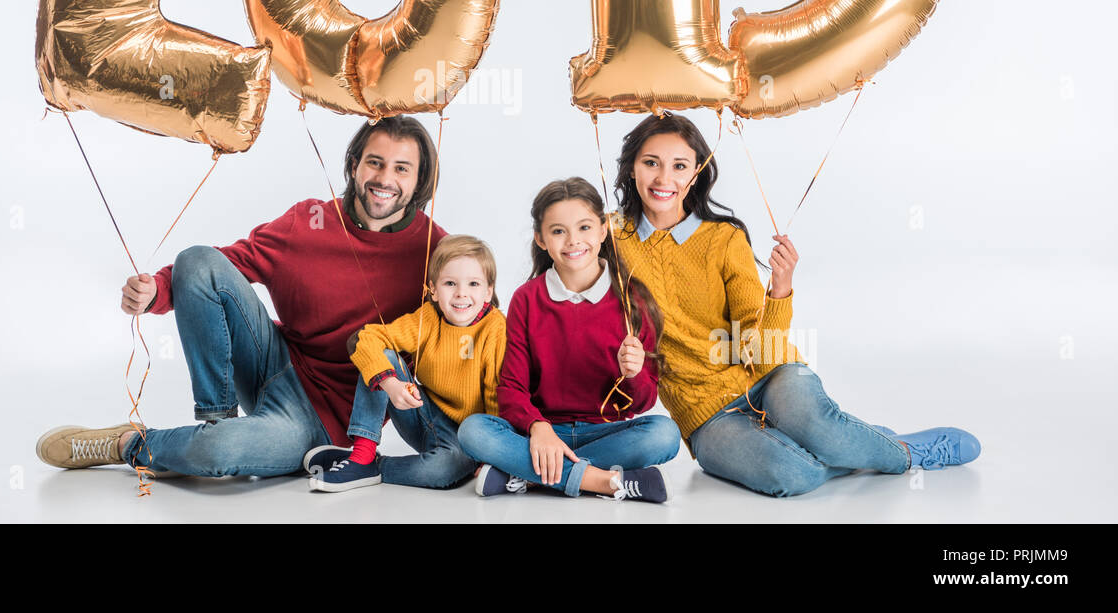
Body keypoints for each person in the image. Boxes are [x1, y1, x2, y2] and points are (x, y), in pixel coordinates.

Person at [34, 116, 447, 482]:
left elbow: (479, 323)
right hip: (273, 361)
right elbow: (223, 267)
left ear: (419, 178)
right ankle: (217, 418)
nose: (384, 178)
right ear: (355, 164)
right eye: (375, 162)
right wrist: (155, 292)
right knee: (196, 260)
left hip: (320, 423)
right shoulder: (310, 221)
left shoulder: (436, 251)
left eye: (401, 168)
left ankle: (131, 444)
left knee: (217, 454)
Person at [611, 111, 981, 497]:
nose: (663, 179)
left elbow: (756, 347)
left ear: (697, 172)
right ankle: (860, 444)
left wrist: (780, 291)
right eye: (650, 162)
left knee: (819, 427)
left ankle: (905, 452)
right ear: (632, 168)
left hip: (769, 376)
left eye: (679, 166)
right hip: (706, 418)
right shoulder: (610, 240)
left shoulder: (723, 239)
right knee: (793, 476)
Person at [458, 178, 681, 504]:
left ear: (603, 230)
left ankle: (530, 477)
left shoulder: (632, 300)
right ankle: (606, 482)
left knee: (665, 435)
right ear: (541, 239)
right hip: (542, 433)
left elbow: (645, 402)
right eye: (559, 231)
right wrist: (539, 427)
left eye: (585, 227)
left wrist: (633, 375)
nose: (573, 241)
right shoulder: (527, 299)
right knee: (473, 431)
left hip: (606, 431)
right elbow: (511, 390)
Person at [309, 234, 507, 492]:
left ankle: (371, 465)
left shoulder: (495, 329)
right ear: (433, 290)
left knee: (441, 471)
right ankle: (362, 453)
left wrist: (489, 455)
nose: (461, 294)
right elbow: (367, 338)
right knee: (384, 356)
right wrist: (391, 384)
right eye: (450, 283)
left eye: (473, 284)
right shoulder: (427, 318)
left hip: (467, 438)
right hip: (423, 416)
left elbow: (496, 395)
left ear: (488, 291)